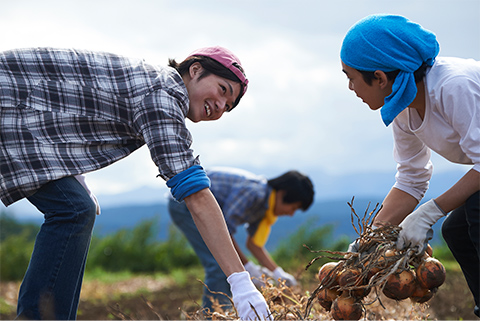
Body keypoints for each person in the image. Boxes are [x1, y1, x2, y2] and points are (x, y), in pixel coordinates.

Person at [0, 46, 271, 320]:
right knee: (73, 210)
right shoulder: (163, 96)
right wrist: (240, 282)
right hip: (7, 98)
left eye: (228, 106)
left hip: (20, 111)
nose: (221, 107)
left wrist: (75, 176)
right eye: (223, 90)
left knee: (76, 207)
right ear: (196, 69)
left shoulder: (156, 85)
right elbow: (196, 194)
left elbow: (65, 109)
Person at [340, 14, 480, 317]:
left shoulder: (454, 86)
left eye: (350, 77)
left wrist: (429, 212)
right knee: (458, 231)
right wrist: (370, 239)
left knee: (477, 213)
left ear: (379, 77)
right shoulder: (403, 108)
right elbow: (411, 180)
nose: (351, 87)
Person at [168, 167, 314, 312]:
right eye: (293, 207)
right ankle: (215, 315)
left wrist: (278, 273)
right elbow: (223, 232)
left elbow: (253, 245)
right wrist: (248, 268)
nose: (291, 214)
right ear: (283, 194)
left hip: (196, 206)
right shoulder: (254, 193)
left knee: (226, 265)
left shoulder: (266, 206)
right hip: (185, 203)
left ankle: (223, 311)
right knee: (220, 265)